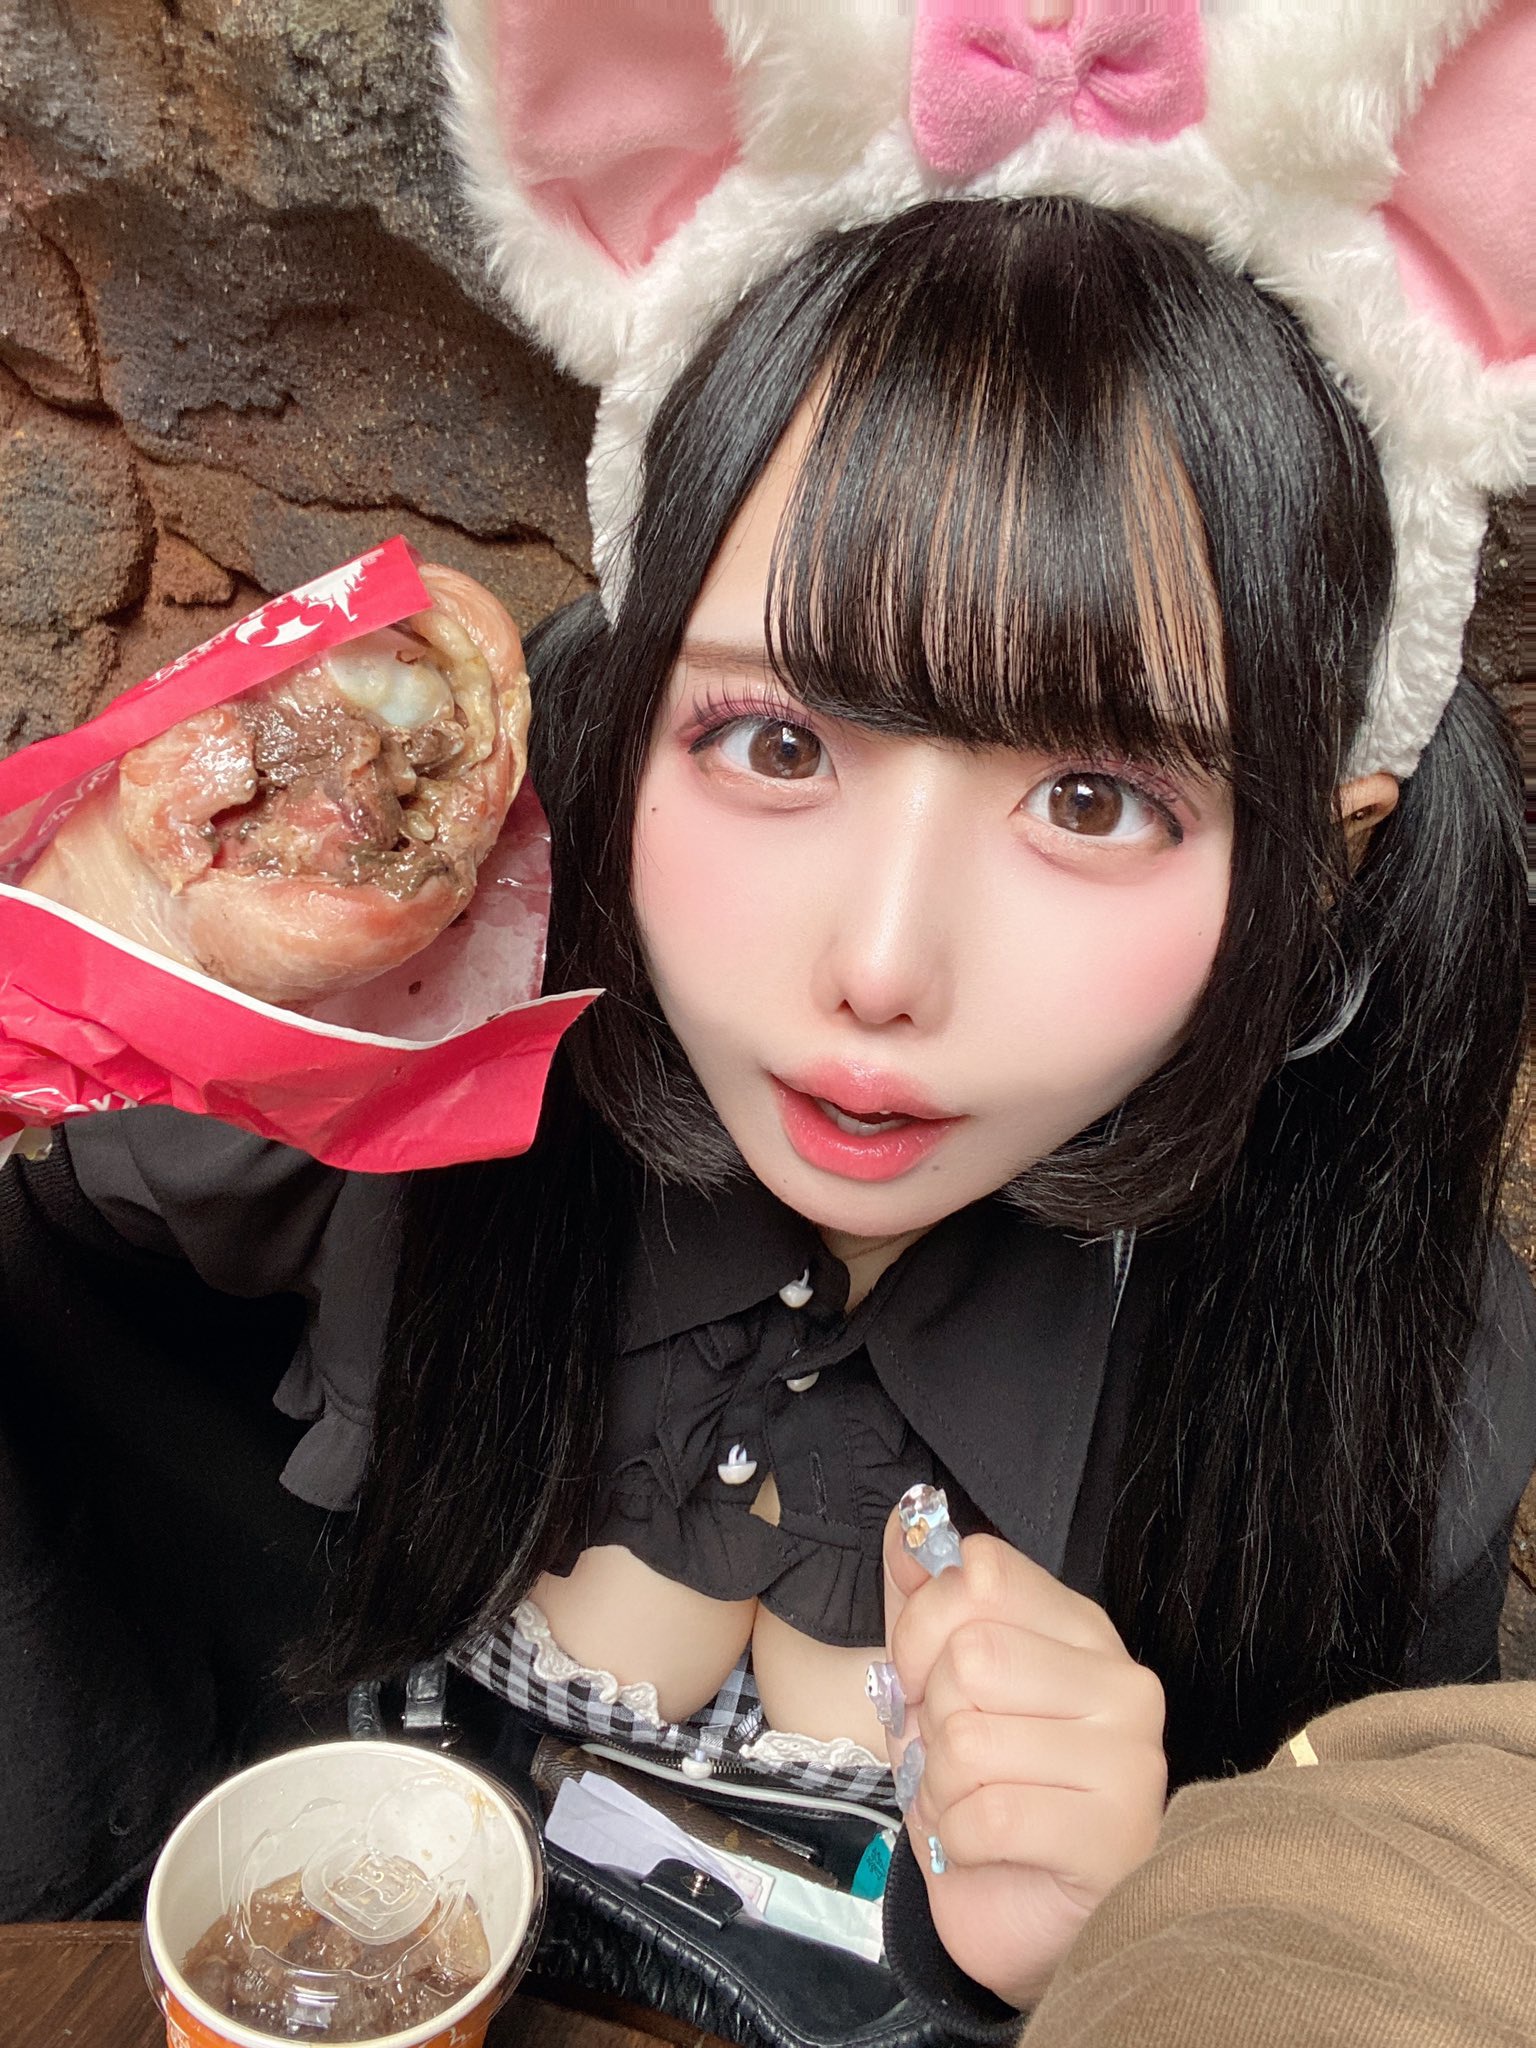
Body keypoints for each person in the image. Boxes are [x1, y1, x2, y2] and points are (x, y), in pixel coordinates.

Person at [1, 195, 1530, 2031]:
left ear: (1319, 866)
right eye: (778, 744)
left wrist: (1130, 1939)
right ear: (624, 712)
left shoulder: (1386, 1389)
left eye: (1096, 801)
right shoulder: (377, 1101)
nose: (880, 967)